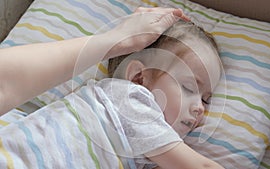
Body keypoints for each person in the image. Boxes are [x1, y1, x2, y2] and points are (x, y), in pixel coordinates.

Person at [0, 7, 224, 169]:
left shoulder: (140, 144)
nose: (200, 109)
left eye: (206, 99)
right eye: (188, 87)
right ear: (139, 78)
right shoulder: (131, 100)